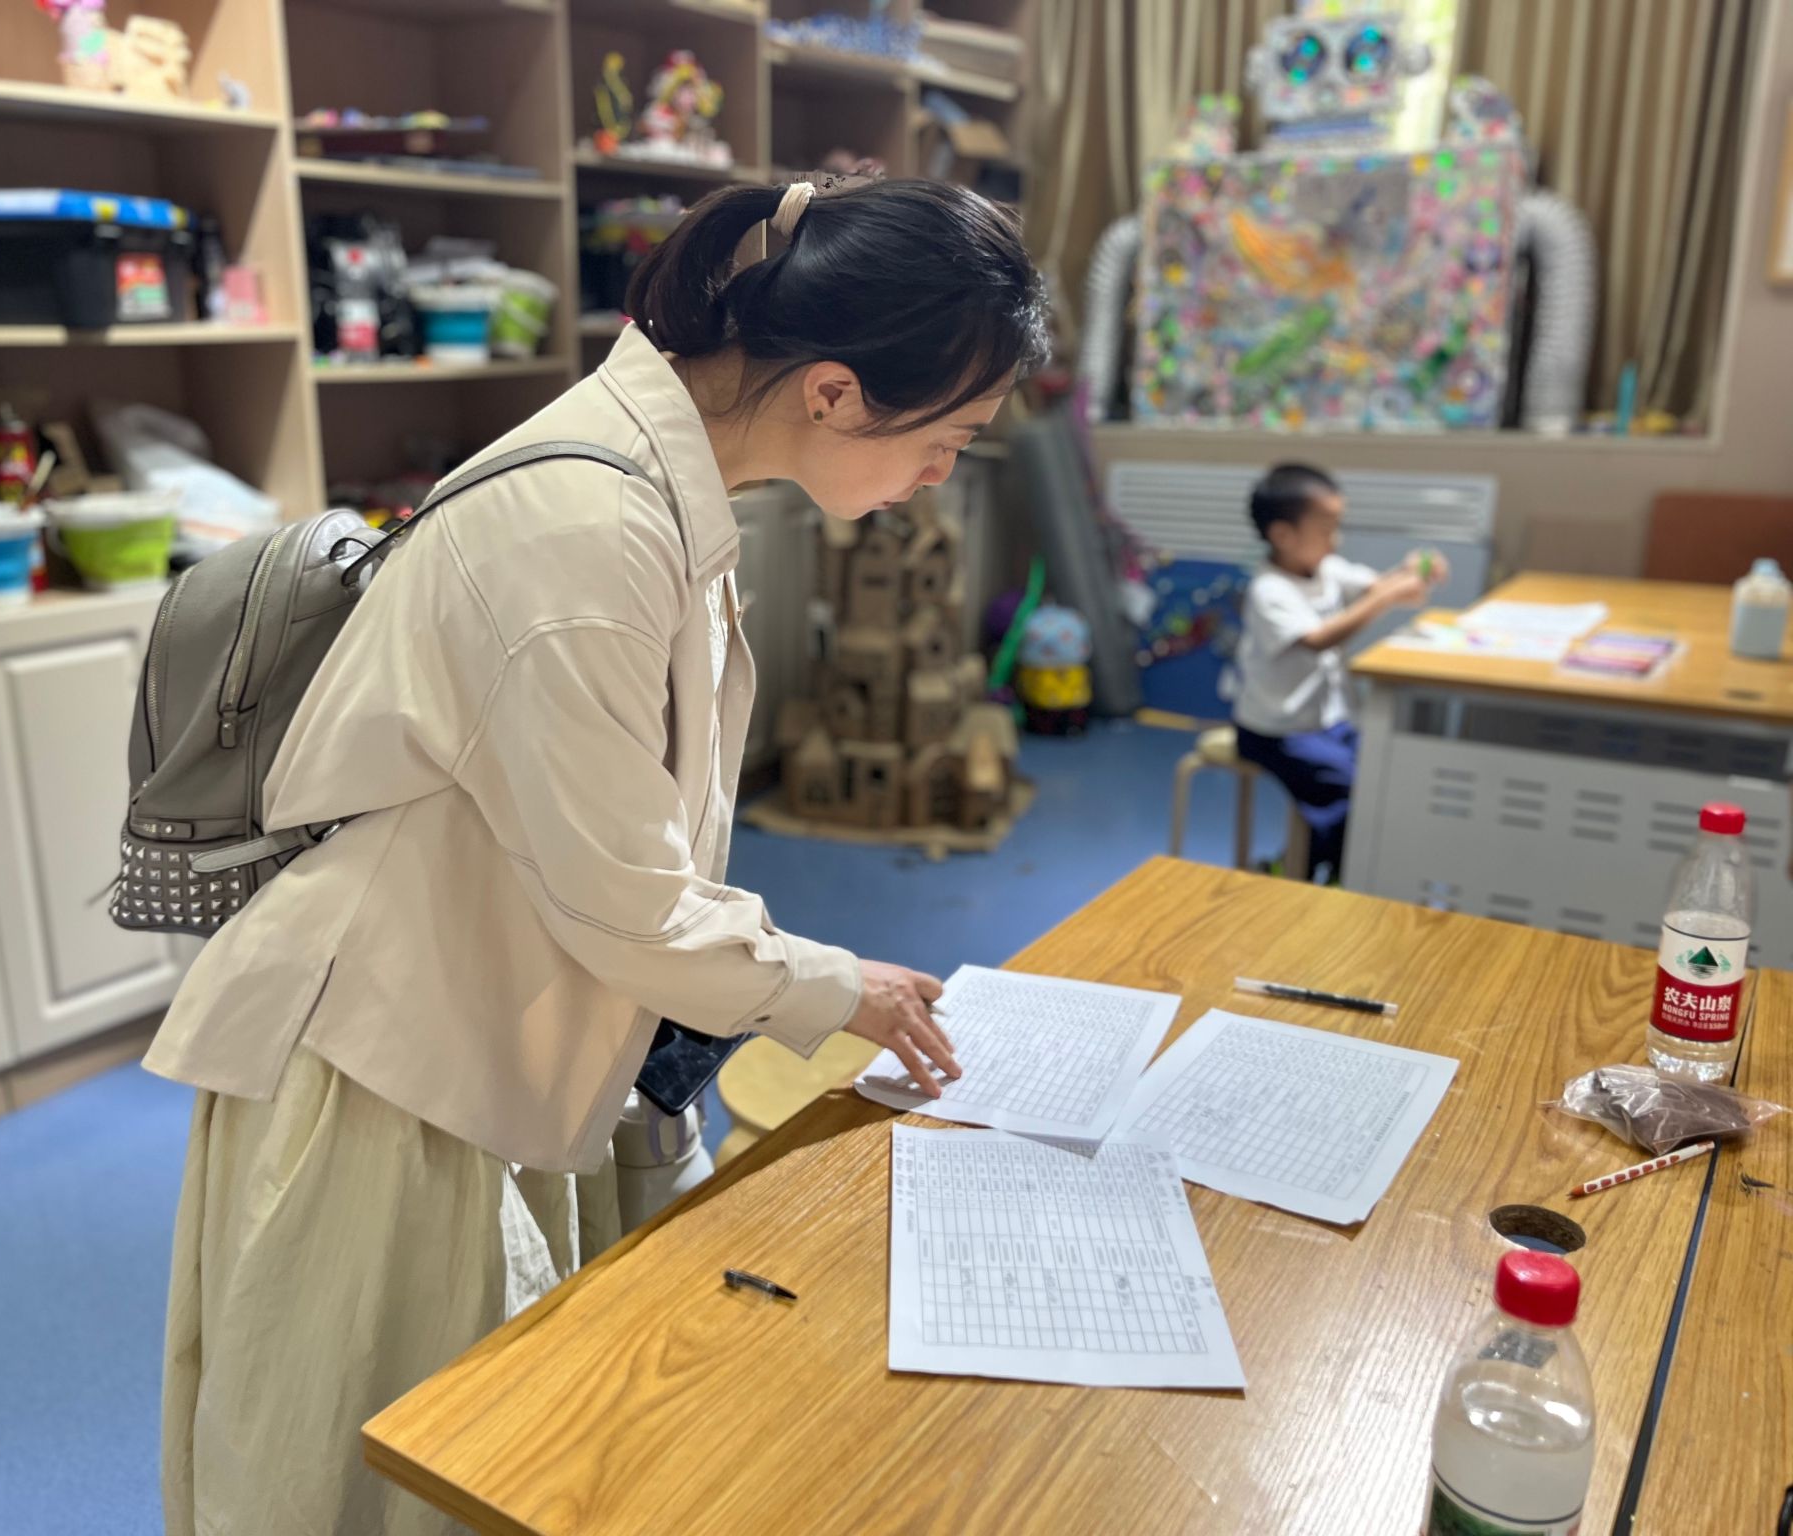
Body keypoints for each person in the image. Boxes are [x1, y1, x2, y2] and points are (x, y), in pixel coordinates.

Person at [143, 175, 1049, 1536]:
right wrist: (834, 987)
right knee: (375, 1478)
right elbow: (628, 906)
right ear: (834, 392)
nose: (940, 475)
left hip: (489, 1022)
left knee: (507, 1446)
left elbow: (634, 843)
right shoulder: (588, 524)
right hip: (389, 1060)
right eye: (950, 439)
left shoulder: (661, 477)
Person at [1232, 463, 1442, 882]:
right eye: (1326, 529)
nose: (1336, 539)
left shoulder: (1328, 569)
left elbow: (1381, 587)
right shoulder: (1269, 591)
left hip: (1329, 722)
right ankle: (1323, 877)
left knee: (1386, 779)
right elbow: (1319, 639)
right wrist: (1386, 597)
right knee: (1350, 794)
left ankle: (1304, 867)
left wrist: (1415, 572)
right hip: (1277, 731)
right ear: (1283, 535)